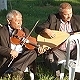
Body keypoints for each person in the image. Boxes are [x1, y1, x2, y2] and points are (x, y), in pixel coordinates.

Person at [35, 2, 80, 78]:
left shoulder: (77, 19)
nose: (69, 16)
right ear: (60, 13)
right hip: (58, 50)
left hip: (74, 50)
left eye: (70, 13)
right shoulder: (53, 18)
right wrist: (45, 30)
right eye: (66, 14)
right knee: (49, 55)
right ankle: (57, 74)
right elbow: (38, 28)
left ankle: (77, 73)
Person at [0, 10, 39, 79]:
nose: (20, 23)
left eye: (21, 20)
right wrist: (9, 51)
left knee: (34, 52)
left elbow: (31, 46)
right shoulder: (2, 31)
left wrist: (37, 47)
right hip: (8, 58)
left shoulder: (25, 31)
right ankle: (16, 71)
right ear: (9, 21)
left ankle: (12, 70)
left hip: (23, 58)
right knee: (19, 71)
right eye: (16, 20)